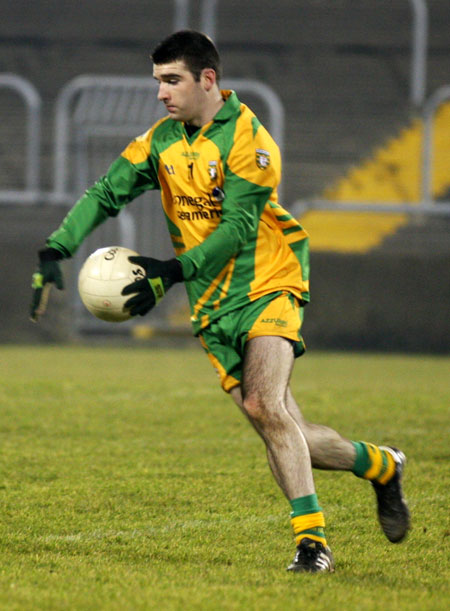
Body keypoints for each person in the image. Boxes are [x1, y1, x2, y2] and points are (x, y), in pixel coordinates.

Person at [30, 30, 410, 572]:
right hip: (213, 304)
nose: (161, 93)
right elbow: (104, 192)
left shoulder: (249, 141)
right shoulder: (161, 141)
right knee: (288, 430)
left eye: (172, 80)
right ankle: (381, 466)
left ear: (208, 79)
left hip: (268, 283)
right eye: (157, 81)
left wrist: (170, 271)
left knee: (263, 406)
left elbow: (235, 230)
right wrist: (57, 248)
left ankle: (312, 544)